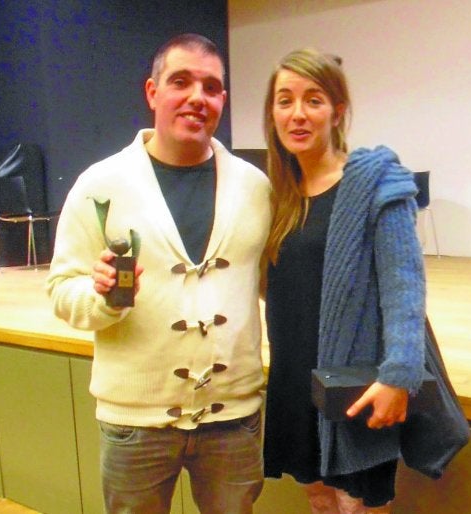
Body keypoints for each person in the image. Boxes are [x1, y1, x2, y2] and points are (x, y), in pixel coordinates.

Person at [46, 33, 271, 514]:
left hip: (233, 418)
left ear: (223, 100)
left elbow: (279, 285)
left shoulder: (256, 188)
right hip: (135, 424)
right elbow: (62, 290)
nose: (197, 97)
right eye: (181, 82)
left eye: (211, 87)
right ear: (152, 92)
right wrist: (102, 298)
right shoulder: (98, 185)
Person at [261, 48, 426, 514]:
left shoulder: (376, 185)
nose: (297, 113)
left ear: (338, 111)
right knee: (319, 500)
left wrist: (399, 376)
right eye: (285, 100)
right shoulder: (280, 196)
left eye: (313, 100)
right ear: (272, 113)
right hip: (296, 381)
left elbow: (405, 289)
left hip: (353, 384)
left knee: (356, 506)